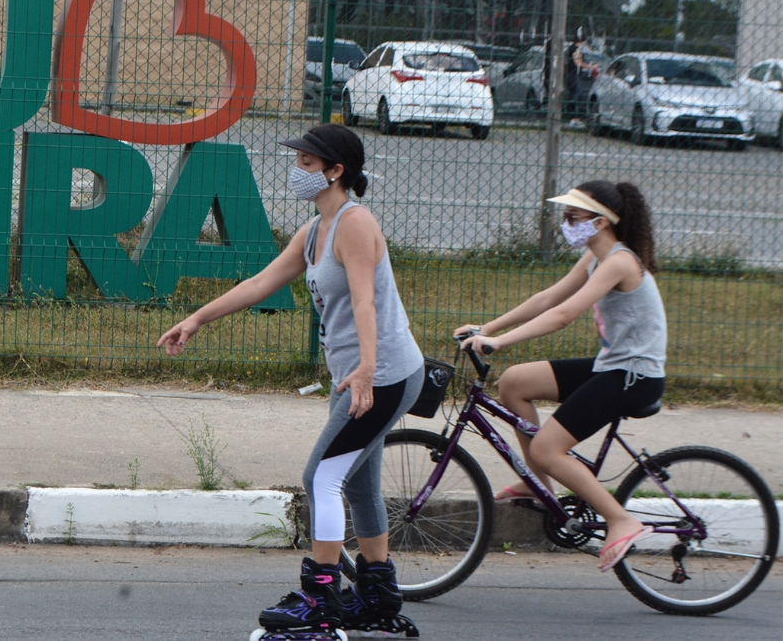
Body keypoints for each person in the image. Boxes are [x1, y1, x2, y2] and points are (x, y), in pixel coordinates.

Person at [157, 124, 425, 632]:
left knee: (321, 477)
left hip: (382, 374)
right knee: (359, 483)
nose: (296, 170)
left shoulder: (355, 224)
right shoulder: (315, 230)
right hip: (358, 374)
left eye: (306, 163)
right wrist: (196, 319)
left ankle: (321, 598)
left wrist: (367, 369)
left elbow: (367, 300)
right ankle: (378, 599)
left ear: (335, 170)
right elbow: (261, 282)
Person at [454, 180, 666, 572]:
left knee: (547, 449)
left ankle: (621, 519)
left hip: (635, 376)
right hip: (613, 364)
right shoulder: (594, 256)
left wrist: (499, 344)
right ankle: (540, 488)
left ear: (600, 222)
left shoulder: (620, 261)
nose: (566, 223)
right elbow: (547, 299)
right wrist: (487, 328)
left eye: (573, 217)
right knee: (515, 383)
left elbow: (563, 314)